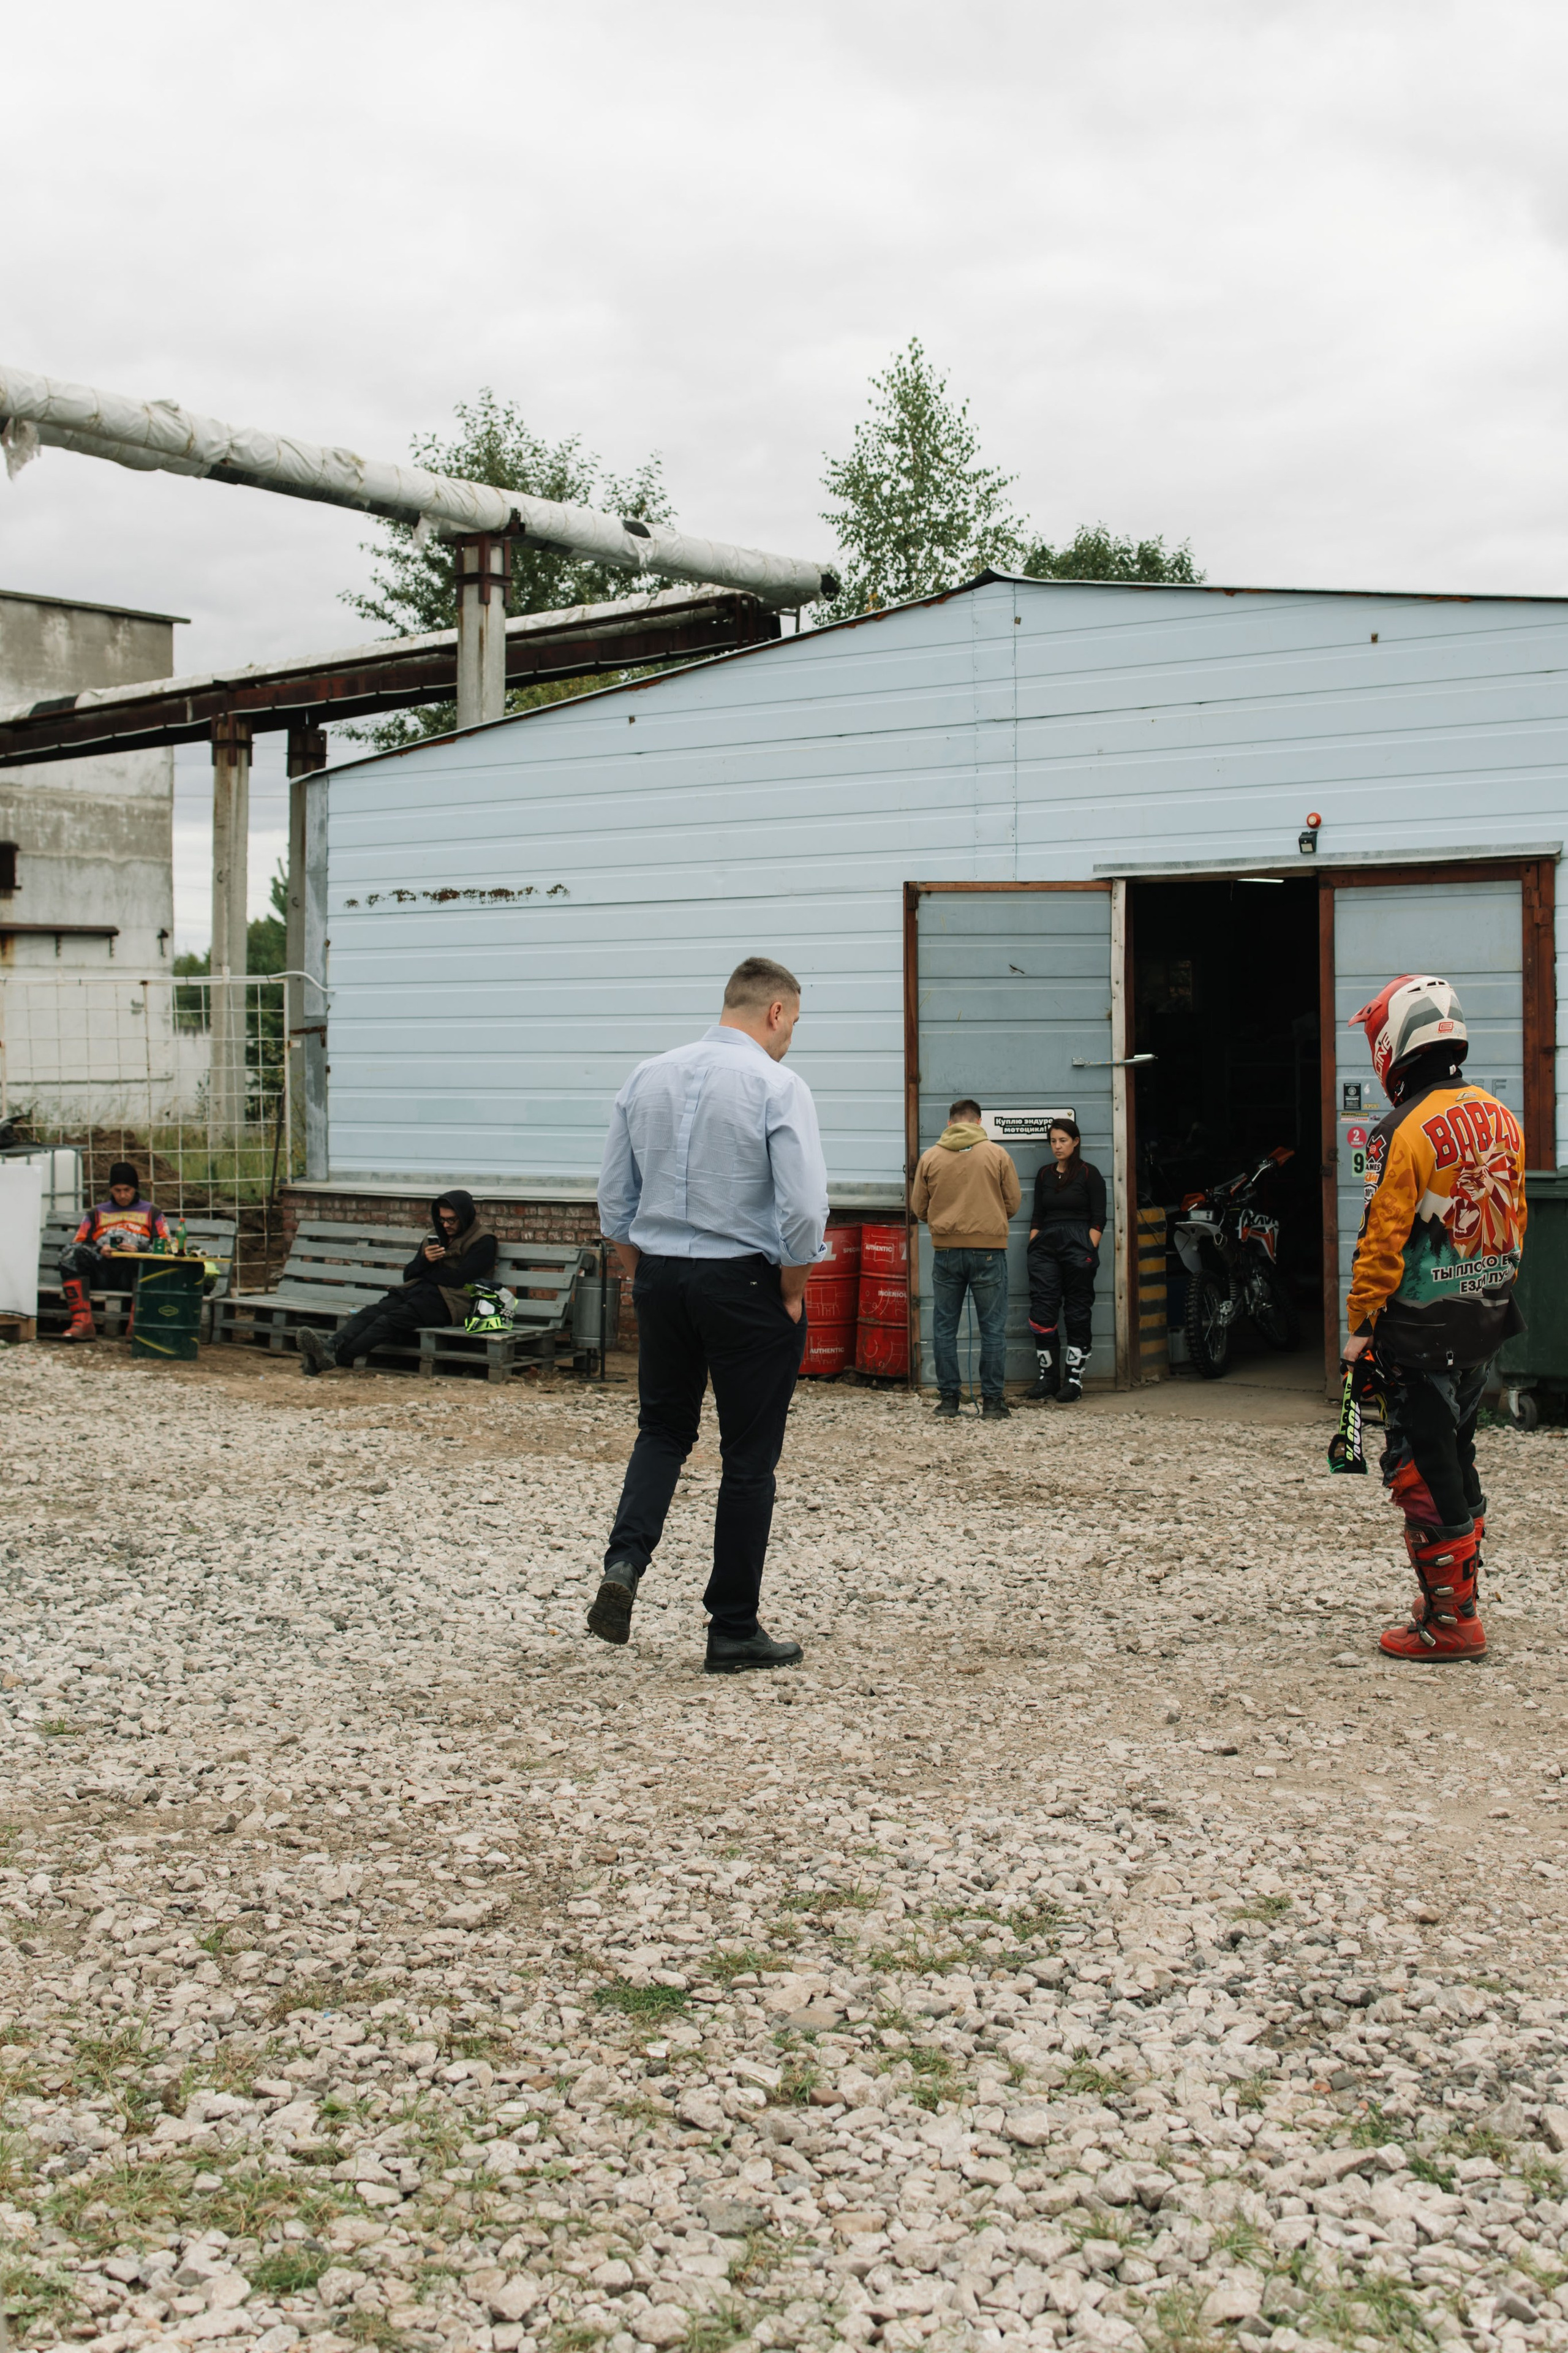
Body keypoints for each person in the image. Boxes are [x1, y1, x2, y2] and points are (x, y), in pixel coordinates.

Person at [592, 955, 828, 1674]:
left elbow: (613, 1198)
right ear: (776, 1012)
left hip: (661, 1277)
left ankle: (625, 1562)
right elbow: (803, 1209)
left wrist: (641, 1273)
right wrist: (791, 1289)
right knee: (748, 1459)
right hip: (746, 1284)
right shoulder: (777, 1084)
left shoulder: (646, 1075)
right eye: (794, 1024)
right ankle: (732, 1626)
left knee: (662, 1430)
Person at [1341, 975, 1527, 1663]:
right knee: (1459, 1452)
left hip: (1419, 1329)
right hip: (1484, 1314)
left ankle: (1452, 1621)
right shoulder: (1501, 1115)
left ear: (1396, 1043)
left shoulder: (1403, 1129)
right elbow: (1516, 1219)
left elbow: (1381, 1239)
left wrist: (1359, 1326)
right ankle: (1456, 1596)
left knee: (1419, 1466)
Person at [296, 1190, 497, 1373]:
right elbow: (409, 1275)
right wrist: (424, 1261)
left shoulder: (484, 1241)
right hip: (420, 1293)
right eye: (442, 1220)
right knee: (373, 1312)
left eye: (452, 1220)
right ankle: (331, 1346)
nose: (446, 1225)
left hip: (454, 1303)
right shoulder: (435, 1236)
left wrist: (426, 1272)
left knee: (389, 1321)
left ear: (465, 1216)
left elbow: (459, 1279)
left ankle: (335, 1359)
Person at [911, 1098, 1021, 1421]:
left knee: (944, 1327)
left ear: (950, 1124)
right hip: (989, 1251)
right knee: (992, 1329)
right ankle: (993, 1403)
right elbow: (1012, 1203)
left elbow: (919, 1209)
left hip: (946, 1252)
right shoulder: (998, 1154)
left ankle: (948, 1401)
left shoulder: (930, 1157)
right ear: (978, 1123)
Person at [1026, 1117, 1107, 1403]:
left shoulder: (1089, 1174)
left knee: (1077, 1311)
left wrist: (1089, 1246)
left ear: (1076, 1142)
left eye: (1063, 1140)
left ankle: (1073, 1380)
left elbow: (1099, 1217)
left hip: (1078, 1246)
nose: (1057, 1146)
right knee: (1043, 1309)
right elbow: (1038, 1214)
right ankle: (1048, 1379)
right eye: (1053, 1141)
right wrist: (1034, 1242)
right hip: (1046, 1246)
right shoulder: (1044, 1174)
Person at [59, 1162, 171, 1342]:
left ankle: (138, 1325)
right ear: (111, 1190)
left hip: (133, 1271)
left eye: (127, 1190)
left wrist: (139, 1250)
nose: (123, 1195)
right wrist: (99, 1250)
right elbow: (79, 1243)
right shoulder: (95, 1213)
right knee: (70, 1255)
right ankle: (82, 1322)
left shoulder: (153, 1212)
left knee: (149, 1261)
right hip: (102, 1270)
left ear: (135, 1188)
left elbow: (166, 1246)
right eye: (117, 1190)